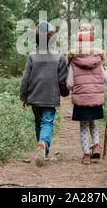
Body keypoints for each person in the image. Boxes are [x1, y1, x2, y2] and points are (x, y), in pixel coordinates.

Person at [20, 21, 68, 167]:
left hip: (34, 97)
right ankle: (43, 144)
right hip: (50, 97)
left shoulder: (32, 56)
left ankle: (42, 148)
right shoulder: (59, 57)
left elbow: (25, 79)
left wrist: (23, 96)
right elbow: (62, 80)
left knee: (38, 122)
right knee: (47, 122)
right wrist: (65, 92)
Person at [67, 24, 107, 165]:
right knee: (94, 124)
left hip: (81, 100)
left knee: (84, 127)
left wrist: (69, 87)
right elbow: (105, 78)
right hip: (95, 99)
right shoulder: (98, 60)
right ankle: (96, 145)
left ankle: (86, 155)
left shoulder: (73, 61)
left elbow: (70, 83)